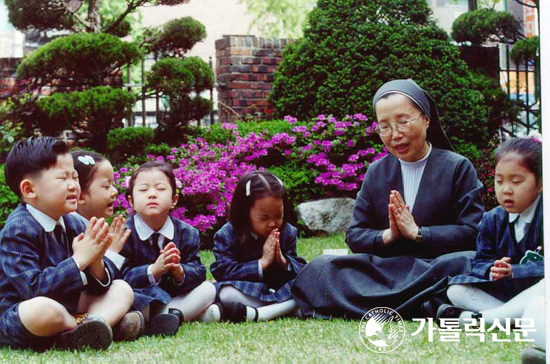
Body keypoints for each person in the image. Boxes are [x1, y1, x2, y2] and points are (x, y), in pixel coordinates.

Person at [291, 79, 485, 319]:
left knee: (468, 262)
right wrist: (388, 236)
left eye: (403, 122)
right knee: (321, 266)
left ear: (426, 119)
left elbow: (473, 232)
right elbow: (355, 235)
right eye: (385, 126)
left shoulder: (457, 167)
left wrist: (419, 233)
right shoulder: (377, 171)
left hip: (434, 266)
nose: (395, 135)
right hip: (388, 270)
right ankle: (424, 304)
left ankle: (377, 305)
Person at [0, 137, 134, 350]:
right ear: (29, 190)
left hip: (70, 306)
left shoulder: (75, 222)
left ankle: (85, 330)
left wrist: (97, 261)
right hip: (27, 314)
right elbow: (33, 290)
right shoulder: (18, 229)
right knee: (42, 310)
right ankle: (98, 326)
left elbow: (100, 287)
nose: (74, 185)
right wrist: (79, 260)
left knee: (122, 289)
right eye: (63, 178)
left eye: (75, 177)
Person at [439, 137, 544, 326]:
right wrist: (492, 269)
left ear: (541, 183)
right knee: (456, 289)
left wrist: (515, 271)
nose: (506, 190)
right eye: (499, 181)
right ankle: (513, 318)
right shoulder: (492, 219)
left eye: (517, 181)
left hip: (539, 294)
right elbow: (479, 262)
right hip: (507, 296)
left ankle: (487, 319)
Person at [118, 161, 217, 336]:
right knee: (134, 301)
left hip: (174, 297)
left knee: (208, 289)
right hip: (141, 297)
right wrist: (152, 271)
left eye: (160, 189)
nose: (152, 194)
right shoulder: (124, 235)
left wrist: (180, 272)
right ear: (131, 202)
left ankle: (167, 317)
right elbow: (120, 276)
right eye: (143, 190)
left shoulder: (187, 233)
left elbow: (199, 271)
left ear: (174, 200)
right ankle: (167, 317)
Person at [210, 171, 307, 322]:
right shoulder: (227, 234)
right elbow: (223, 271)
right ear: (245, 213)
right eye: (263, 218)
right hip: (248, 290)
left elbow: (301, 270)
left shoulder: (287, 232)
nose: (272, 223)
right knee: (226, 293)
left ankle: (260, 312)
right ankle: (287, 309)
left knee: (308, 285)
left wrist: (283, 261)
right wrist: (262, 263)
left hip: (280, 289)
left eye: (278, 216)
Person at [71, 150, 143, 341]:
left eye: (113, 184)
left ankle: (96, 324)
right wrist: (111, 254)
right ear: (80, 196)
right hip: (65, 304)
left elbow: (104, 285)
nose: (114, 191)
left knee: (122, 289)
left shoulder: (95, 226)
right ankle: (99, 325)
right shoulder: (71, 227)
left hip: (85, 303)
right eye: (106, 185)